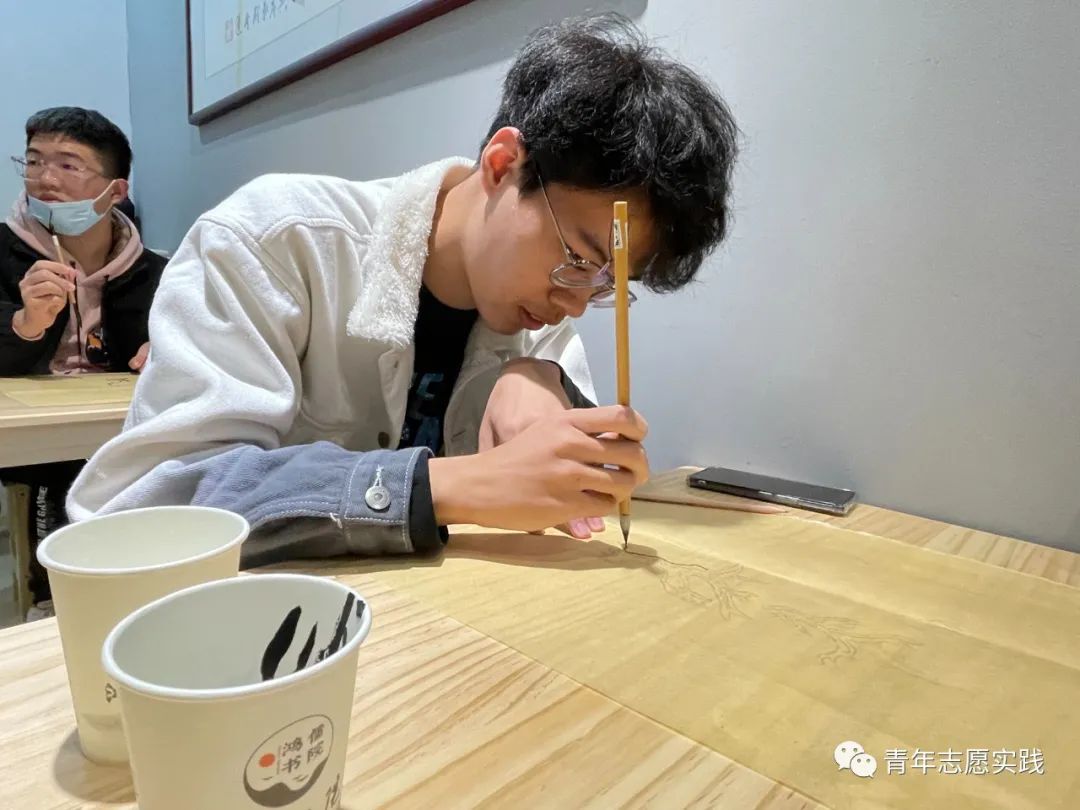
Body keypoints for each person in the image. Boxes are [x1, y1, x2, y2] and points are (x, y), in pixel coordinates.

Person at [67, 14, 738, 567]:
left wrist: (546, 387)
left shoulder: (541, 315)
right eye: (578, 259)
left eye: (605, 284)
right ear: (503, 164)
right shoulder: (275, 241)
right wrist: (447, 484)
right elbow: (155, 501)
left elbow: (568, 500)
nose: (575, 302)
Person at [1, 107, 166, 618]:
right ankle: (53, 600)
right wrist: (24, 323)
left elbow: (183, 348)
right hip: (36, 436)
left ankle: (148, 593)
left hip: (120, 425)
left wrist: (166, 349)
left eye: (68, 165)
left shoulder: (157, 272)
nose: (45, 179)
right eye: (33, 161)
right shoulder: (3, 253)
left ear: (115, 191)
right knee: (63, 474)